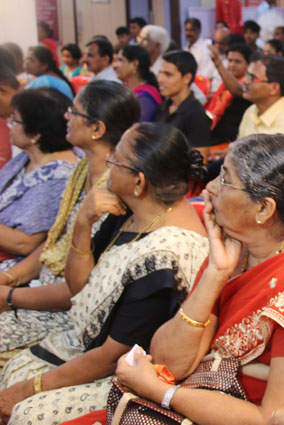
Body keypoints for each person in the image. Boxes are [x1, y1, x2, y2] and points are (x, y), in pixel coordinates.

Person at [69, 133, 284, 425]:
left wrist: (161, 392)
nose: (210, 188)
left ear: (263, 208)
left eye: (225, 179)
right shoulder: (237, 248)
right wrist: (215, 273)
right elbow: (171, 362)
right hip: (200, 397)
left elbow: (271, 417)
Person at [0, 122, 209, 424]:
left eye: (116, 161)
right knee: (15, 368)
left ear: (139, 181)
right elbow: (77, 285)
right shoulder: (129, 209)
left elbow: (112, 356)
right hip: (84, 342)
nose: (108, 166)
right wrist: (83, 223)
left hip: (126, 371)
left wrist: (29, 388)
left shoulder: (165, 255)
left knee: (27, 411)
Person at [0, 81, 141, 362]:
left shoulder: (114, 194)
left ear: (97, 129)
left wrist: (9, 296)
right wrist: (8, 278)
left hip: (69, 312)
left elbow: (81, 289)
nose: (66, 116)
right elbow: (55, 242)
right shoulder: (81, 171)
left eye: (74, 112)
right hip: (40, 290)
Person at [0, 89, 76, 272]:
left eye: (15, 121)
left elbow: (25, 243)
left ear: (35, 134)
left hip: (15, 268)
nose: (10, 126)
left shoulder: (58, 175)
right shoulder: (28, 158)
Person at [155, 50, 211, 158]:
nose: (160, 79)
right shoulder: (163, 107)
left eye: (168, 74)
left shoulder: (196, 114)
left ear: (187, 78)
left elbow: (200, 163)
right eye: (160, 73)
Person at [206, 43, 253, 151]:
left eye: (238, 61)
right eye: (230, 60)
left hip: (229, 145)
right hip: (214, 137)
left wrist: (218, 63)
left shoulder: (250, 85)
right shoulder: (225, 85)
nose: (232, 65)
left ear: (249, 65)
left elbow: (237, 90)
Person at [114, 45, 162, 122]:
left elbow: (141, 130)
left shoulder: (145, 98)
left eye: (120, 60)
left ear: (135, 64)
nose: (115, 65)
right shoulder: (124, 90)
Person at [184, 17, 215, 82]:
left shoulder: (205, 48)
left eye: (191, 30)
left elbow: (206, 74)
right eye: (186, 30)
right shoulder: (185, 49)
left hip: (200, 84)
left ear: (199, 31)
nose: (188, 33)